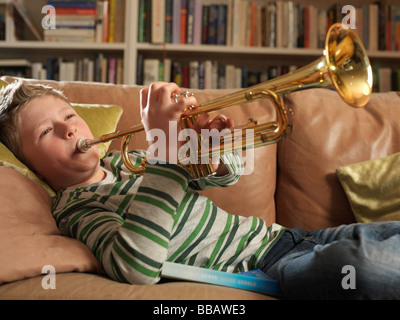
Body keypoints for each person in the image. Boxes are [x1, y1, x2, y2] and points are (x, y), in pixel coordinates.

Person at [0, 80, 399, 300]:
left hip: (290, 237)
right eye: (47, 132)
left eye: (69, 116)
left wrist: (212, 149)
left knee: (388, 233)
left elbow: (223, 179)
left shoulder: (126, 162)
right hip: (264, 268)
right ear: (32, 165)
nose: (69, 128)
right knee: (366, 267)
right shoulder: (77, 209)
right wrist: (168, 154)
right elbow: (135, 267)